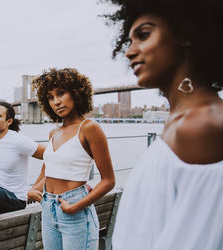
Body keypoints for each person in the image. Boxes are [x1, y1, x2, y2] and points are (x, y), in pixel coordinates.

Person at [102, 1, 223, 249]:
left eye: (143, 35)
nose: (129, 52)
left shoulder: (202, 125)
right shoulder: (182, 120)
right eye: (129, 41)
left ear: (185, 35)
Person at [28, 68, 115, 250]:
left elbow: (108, 181)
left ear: (76, 93)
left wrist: (75, 207)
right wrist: (31, 191)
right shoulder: (53, 132)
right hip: (48, 208)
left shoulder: (89, 128)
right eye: (50, 97)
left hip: (75, 208)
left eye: (61, 93)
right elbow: (47, 172)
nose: (56, 101)